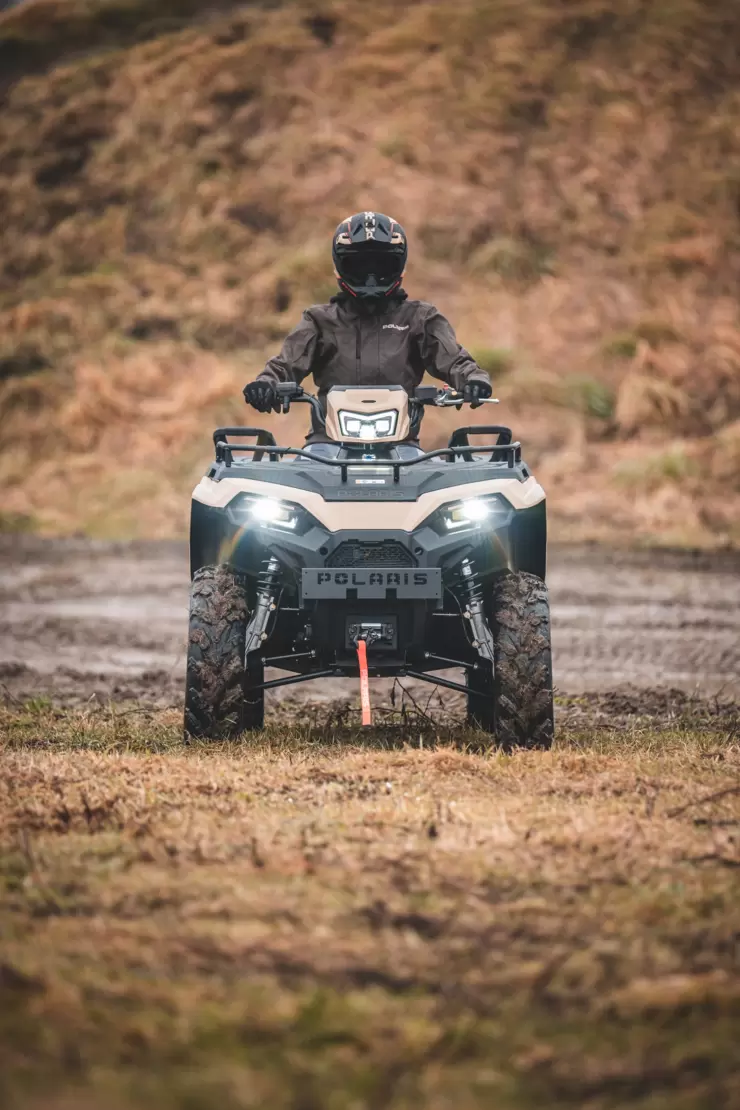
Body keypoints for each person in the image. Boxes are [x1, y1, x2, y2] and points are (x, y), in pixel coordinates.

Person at [244, 211, 492, 443]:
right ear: (340, 266)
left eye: (381, 266)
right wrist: (266, 384)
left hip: (401, 448)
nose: (370, 278)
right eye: (359, 266)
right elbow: (286, 363)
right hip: (326, 446)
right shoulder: (319, 320)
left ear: (399, 266)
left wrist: (473, 379)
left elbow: (453, 359)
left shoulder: (420, 318)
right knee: (286, 488)